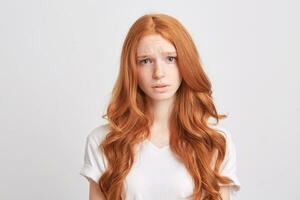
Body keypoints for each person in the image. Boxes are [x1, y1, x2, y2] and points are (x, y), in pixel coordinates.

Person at [79, 13, 241, 200]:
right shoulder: (103, 141)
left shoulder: (215, 142)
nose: (158, 73)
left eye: (170, 58)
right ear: (132, 68)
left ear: (186, 62)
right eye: (145, 61)